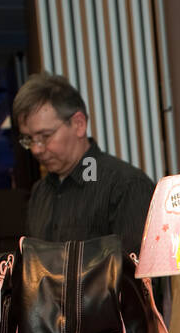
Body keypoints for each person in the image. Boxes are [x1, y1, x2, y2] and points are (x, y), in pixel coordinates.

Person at [13, 73, 156, 257]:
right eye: (29, 139)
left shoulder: (125, 185)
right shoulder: (40, 193)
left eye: (45, 136)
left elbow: (136, 276)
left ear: (79, 124)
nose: (36, 149)